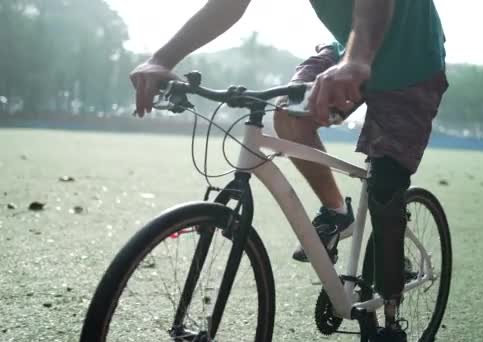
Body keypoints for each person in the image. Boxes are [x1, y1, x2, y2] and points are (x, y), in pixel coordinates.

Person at [130, 1, 448, 340]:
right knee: (287, 115)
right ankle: (337, 212)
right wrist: (161, 59)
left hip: (411, 64)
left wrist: (358, 60)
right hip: (345, 52)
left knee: (386, 187)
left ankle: (391, 313)